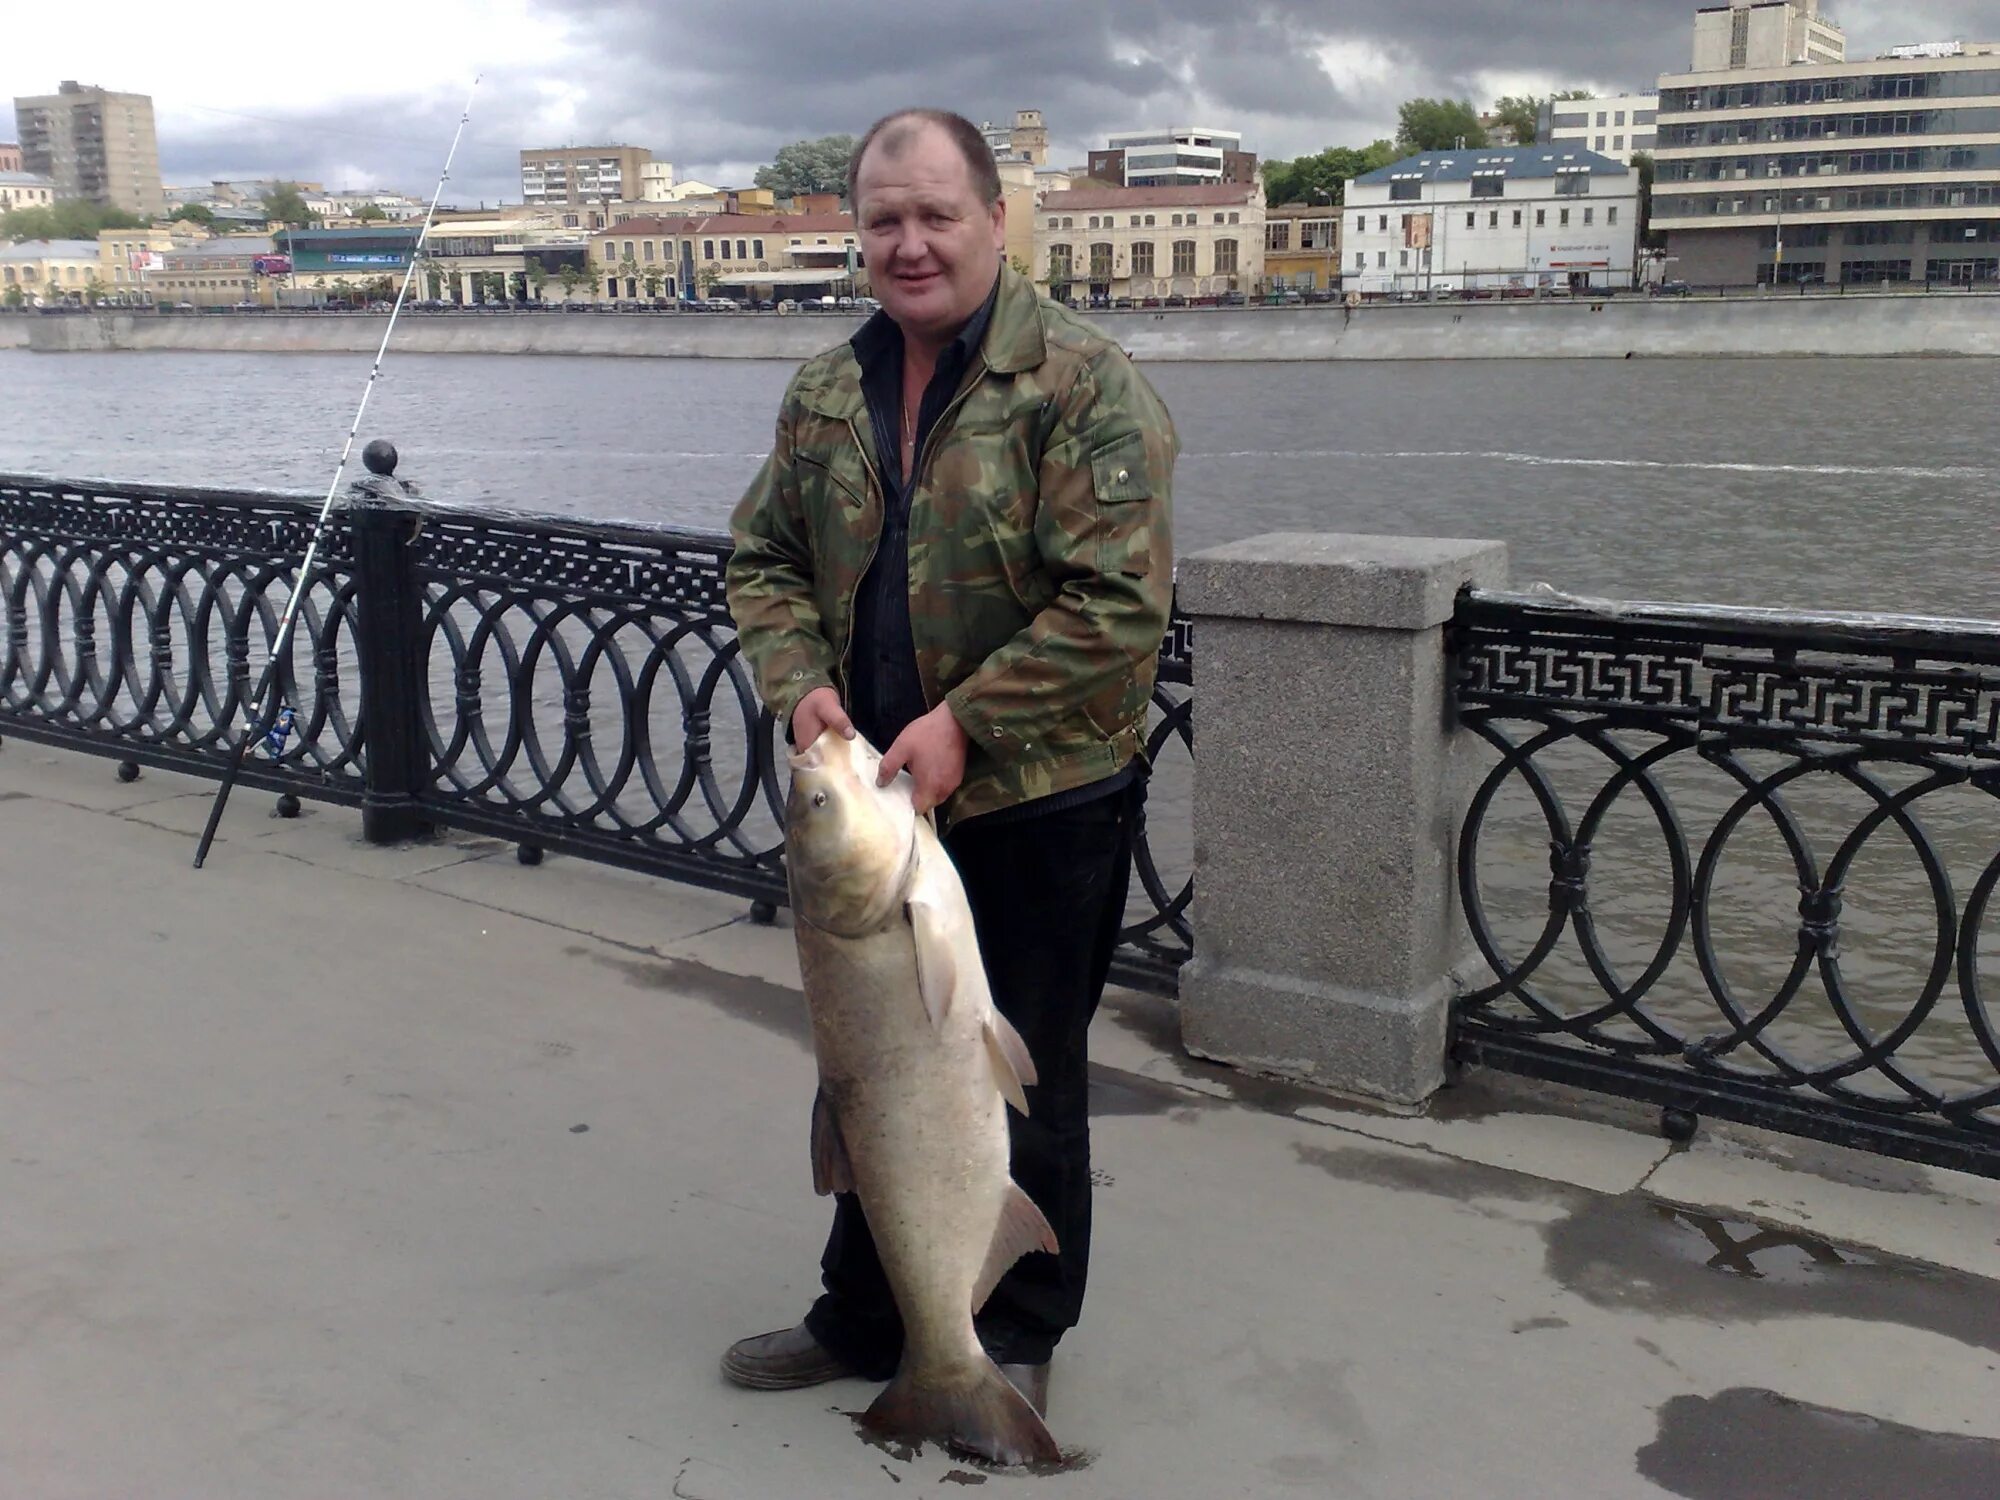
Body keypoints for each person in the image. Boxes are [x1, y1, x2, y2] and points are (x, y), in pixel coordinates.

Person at [721, 107, 1177, 1420]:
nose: (909, 244)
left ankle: (1014, 1333)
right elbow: (762, 561)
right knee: (868, 1068)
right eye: (883, 220)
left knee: (1017, 1067)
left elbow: (1118, 607)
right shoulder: (826, 391)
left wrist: (967, 723)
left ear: (993, 219)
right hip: (869, 810)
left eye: (935, 214)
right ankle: (870, 1314)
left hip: (1036, 800)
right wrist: (798, 681)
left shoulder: (1085, 384)